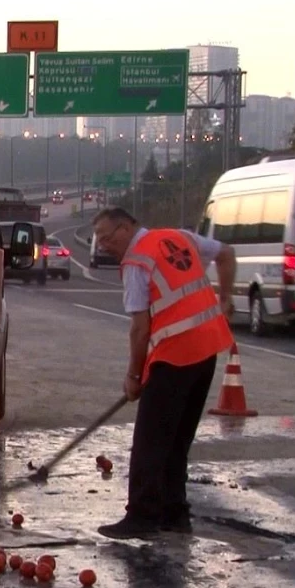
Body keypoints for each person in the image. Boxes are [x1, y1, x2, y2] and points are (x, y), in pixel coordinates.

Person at [90, 207, 236, 539]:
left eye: (107, 237)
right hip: (207, 349)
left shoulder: (137, 262)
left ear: (127, 228)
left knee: (149, 442)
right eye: (98, 239)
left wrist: (133, 376)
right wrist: (225, 299)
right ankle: (174, 513)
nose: (103, 245)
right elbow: (226, 254)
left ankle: (142, 517)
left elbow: (140, 329)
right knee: (176, 441)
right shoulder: (179, 236)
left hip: (176, 356)